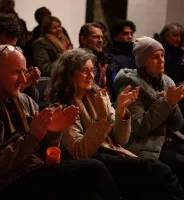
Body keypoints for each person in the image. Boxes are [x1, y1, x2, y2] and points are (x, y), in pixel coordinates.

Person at [0, 44, 121, 200]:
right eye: (16, 72)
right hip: (6, 184)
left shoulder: (24, 101)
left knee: (93, 193)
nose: (23, 79)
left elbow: (45, 152)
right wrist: (33, 137)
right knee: (94, 168)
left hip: (34, 170)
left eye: (23, 72)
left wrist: (53, 133)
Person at [48, 48, 184, 200]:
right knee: (158, 170)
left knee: (157, 181)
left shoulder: (98, 95)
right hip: (92, 164)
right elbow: (80, 153)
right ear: (69, 75)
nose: (91, 75)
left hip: (112, 152)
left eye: (92, 70)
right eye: (84, 71)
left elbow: (120, 139)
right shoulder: (63, 108)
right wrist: (101, 119)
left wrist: (121, 111)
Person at [114, 36, 184, 187]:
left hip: (167, 139)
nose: (161, 60)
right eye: (155, 57)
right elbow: (139, 127)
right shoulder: (130, 86)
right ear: (143, 62)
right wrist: (167, 103)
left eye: (162, 55)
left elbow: (178, 125)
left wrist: (173, 106)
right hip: (144, 145)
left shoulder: (167, 82)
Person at [0, 13, 40, 102]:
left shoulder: (15, 57)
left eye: (12, 46)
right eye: (3, 45)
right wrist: (17, 89)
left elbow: (33, 100)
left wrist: (28, 85)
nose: (9, 51)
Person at [105, 19, 137, 101]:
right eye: (125, 34)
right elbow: (114, 81)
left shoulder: (135, 53)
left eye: (131, 34)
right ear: (115, 36)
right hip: (122, 96)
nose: (130, 37)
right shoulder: (110, 55)